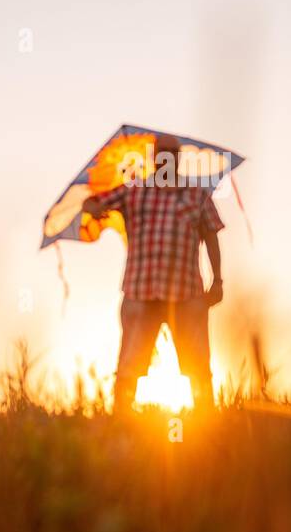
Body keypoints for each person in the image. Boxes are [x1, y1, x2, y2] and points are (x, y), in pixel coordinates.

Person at [82, 134, 224, 414]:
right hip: (140, 292)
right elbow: (92, 203)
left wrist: (218, 280)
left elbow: (211, 237)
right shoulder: (134, 190)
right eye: (161, 153)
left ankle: (207, 423)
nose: (166, 158)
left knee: (197, 364)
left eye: (171, 153)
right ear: (154, 157)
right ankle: (120, 418)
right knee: (130, 364)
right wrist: (95, 208)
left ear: (179, 158)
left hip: (187, 294)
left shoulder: (197, 194)